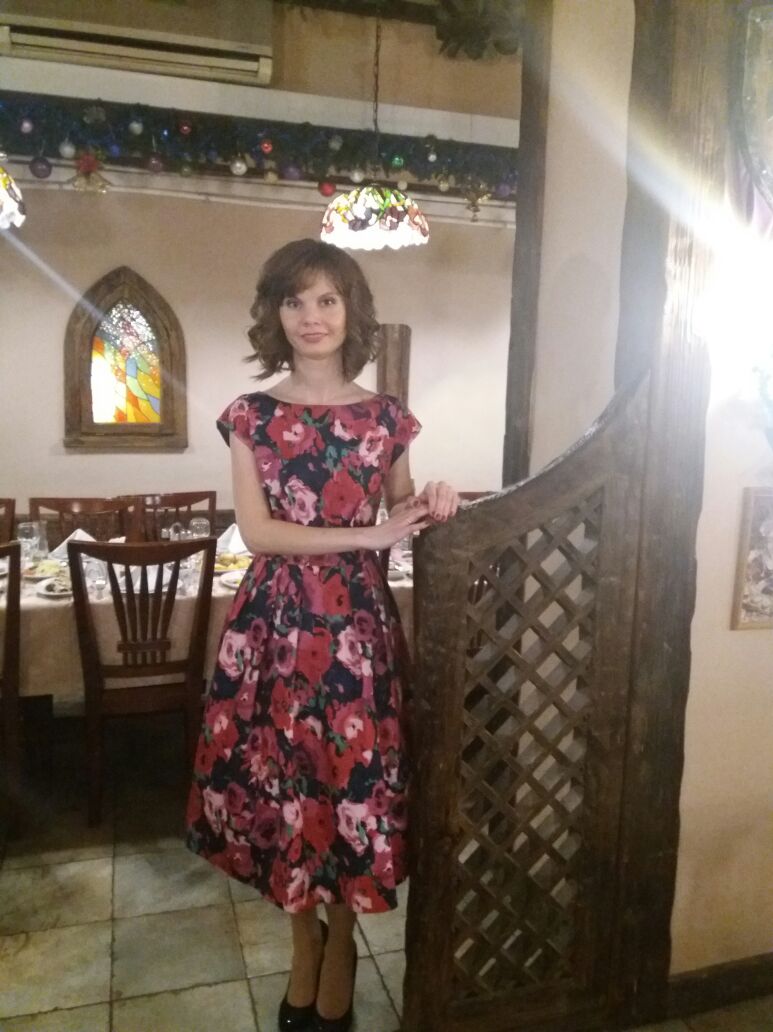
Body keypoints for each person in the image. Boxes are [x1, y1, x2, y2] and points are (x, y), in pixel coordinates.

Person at [186, 238, 459, 1032]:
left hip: (356, 635)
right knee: (285, 786)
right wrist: (368, 537)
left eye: (327, 300)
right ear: (276, 314)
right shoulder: (251, 416)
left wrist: (433, 499)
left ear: (351, 312)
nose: (311, 316)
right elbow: (258, 533)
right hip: (272, 630)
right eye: (295, 300)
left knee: (350, 785)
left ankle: (341, 940)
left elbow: (401, 509)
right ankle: (302, 939)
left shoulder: (386, 418)